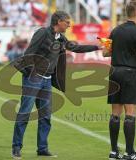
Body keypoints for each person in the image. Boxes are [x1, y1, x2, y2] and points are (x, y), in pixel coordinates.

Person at [11, 10, 102, 159]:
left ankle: (42, 148)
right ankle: (16, 147)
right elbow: (28, 53)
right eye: (67, 22)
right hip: (33, 79)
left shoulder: (61, 38)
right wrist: (30, 73)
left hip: (46, 80)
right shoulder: (42, 33)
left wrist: (97, 47)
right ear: (58, 21)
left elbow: (76, 48)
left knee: (45, 116)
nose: (69, 25)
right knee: (25, 113)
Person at [103, 1, 136, 160]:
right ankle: (129, 153)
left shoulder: (115, 30)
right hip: (130, 73)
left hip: (114, 72)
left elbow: (105, 53)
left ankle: (114, 152)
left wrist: (110, 46)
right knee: (130, 114)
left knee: (115, 114)